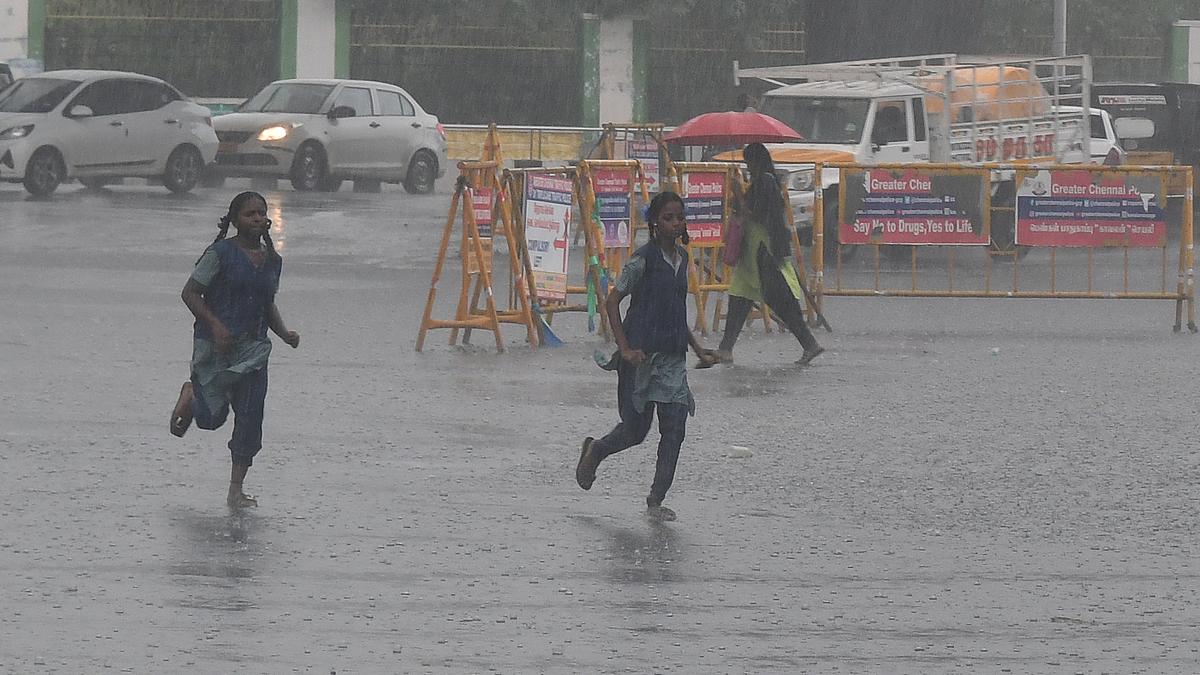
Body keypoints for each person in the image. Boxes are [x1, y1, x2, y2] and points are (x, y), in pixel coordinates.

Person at [576, 191, 719, 521]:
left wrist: (697, 348)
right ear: (655, 223)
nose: (675, 223)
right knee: (635, 432)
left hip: (672, 360)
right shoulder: (641, 261)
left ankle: (656, 499)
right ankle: (596, 450)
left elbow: (673, 312)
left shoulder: (682, 260)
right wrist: (625, 348)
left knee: (675, 428)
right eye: (668, 218)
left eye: (680, 217)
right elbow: (613, 302)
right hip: (640, 359)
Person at [170, 191, 300, 508]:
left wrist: (283, 333)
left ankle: (236, 489)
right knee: (212, 419)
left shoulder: (272, 261)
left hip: (253, 350)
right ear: (235, 220)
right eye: (249, 214)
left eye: (261, 213)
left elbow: (267, 303)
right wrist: (215, 325)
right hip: (215, 347)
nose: (256, 219)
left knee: (251, 416)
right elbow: (190, 293)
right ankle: (192, 394)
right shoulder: (220, 254)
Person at [717, 142, 824, 365]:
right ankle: (725, 348)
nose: (747, 167)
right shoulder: (764, 181)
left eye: (748, 162)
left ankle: (809, 344)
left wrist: (739, 194)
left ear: (755, 161)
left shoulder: (765, 182)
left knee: (780, 301)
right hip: (753, 253)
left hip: (762, 251)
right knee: (740, 298)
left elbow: (755, 215)